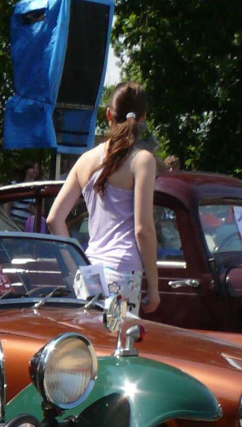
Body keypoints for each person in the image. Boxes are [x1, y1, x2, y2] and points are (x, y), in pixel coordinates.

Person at [47, 82, 159, 313]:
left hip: (89, 270)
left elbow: (54, 219)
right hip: (123, 272)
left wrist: (75, 268)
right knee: (117, 336)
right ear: (143, 117)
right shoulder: (142, 160)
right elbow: (143, 230)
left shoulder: (86, 160)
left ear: (109, 114)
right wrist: (154, 287)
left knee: (91, 336)